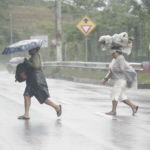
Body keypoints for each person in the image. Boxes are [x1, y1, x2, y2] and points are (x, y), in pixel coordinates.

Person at [18, 48, 62, 119]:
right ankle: (26, 114)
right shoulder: (33, 56)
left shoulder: (35, 55)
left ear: (35, 50)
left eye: (31, 49)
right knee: (27, 95)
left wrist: (27, 62)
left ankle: (57, 107)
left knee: (42, 97)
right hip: (32, 80)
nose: (29, 50)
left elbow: (35, 66)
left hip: (37, 79)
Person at [102, 49, 138, 115]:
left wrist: (114, 70)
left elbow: (122, 70)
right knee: (121, 96)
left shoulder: (121, 58)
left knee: (114, 94)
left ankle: (113, 111)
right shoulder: (114, 60)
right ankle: (133, 106)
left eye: (113, 53)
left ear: (118, 53)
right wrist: (106, 79)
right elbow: (111, 71)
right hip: (116, 81)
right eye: (112, 53)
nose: (112, 54)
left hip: (120, 80)